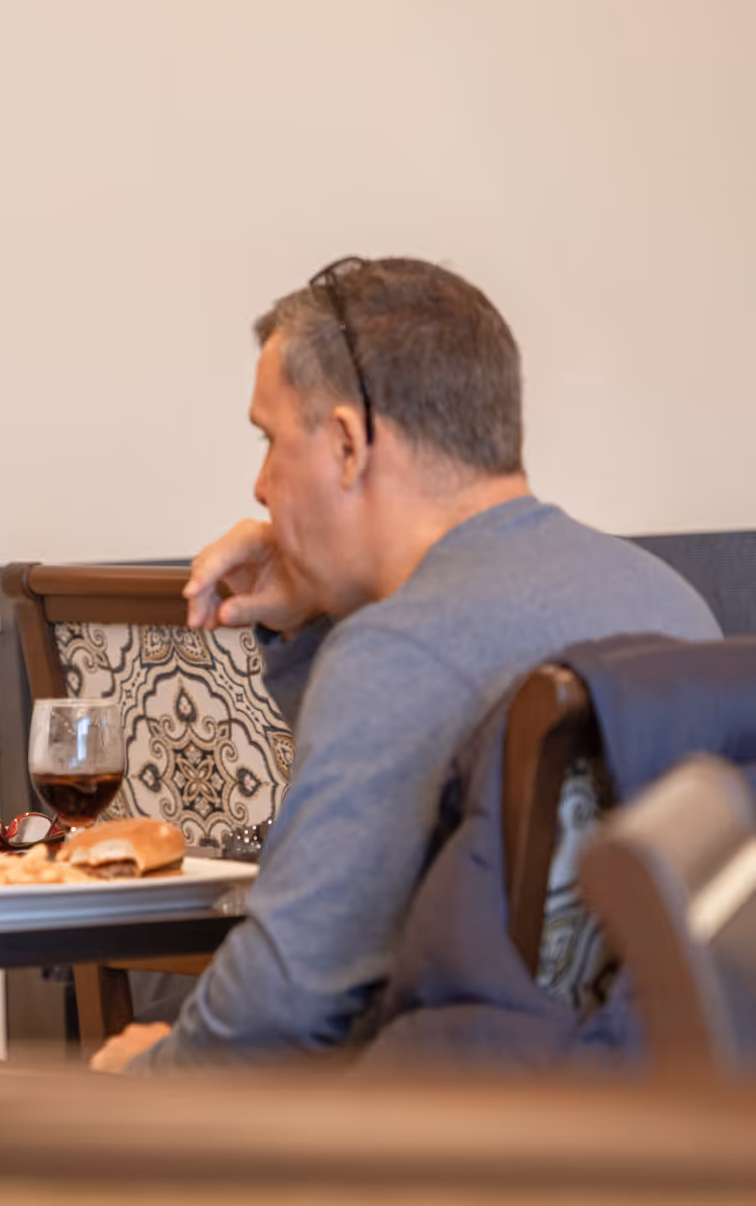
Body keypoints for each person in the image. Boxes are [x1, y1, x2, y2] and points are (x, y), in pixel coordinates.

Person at [90, 257, 721, 1075]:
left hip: (424, 1151)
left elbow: (275, 1010)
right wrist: (318, 616)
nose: (260, 485)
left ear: (348, 444)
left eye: (270, 439)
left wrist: (142, 1080)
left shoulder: (401, 653)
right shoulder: (669, 602)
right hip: (659, 1140)